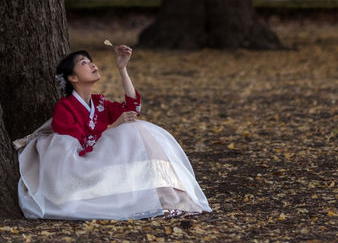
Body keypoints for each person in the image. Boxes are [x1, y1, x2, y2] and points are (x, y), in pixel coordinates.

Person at [15, 44, 212, 221]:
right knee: (130, 130)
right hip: (74, 165)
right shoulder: (64, 108)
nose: (93, 65)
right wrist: (114, 126)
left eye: (92, 61)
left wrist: (122, 69)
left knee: (137, 127)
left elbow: (133, 108)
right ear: (73, 78)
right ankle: (161, 198)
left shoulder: (99, 102)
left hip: (95, 152)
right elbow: (78, 146)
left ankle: (168, 195)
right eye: (84, 63)